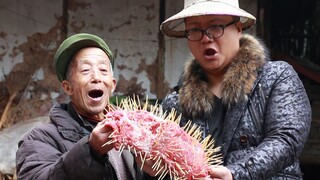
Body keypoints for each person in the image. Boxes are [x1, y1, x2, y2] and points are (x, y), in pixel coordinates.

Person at [159, 0, 312, 179]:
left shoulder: (276, 77)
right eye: (194, 30)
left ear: (238, 28)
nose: (205, 38)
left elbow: (287, 140)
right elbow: (165, 166)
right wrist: (151, 171)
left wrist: (236, 173)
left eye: (216, 26)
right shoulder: (175, 104)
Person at [16, 33, 144, 179]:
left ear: (112, 85)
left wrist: (153, 173)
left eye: (103, 70)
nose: (96, 77)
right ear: (68, 87)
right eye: (85, 70)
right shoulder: (40, 138)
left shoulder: (133, 132)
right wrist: (90, 150)